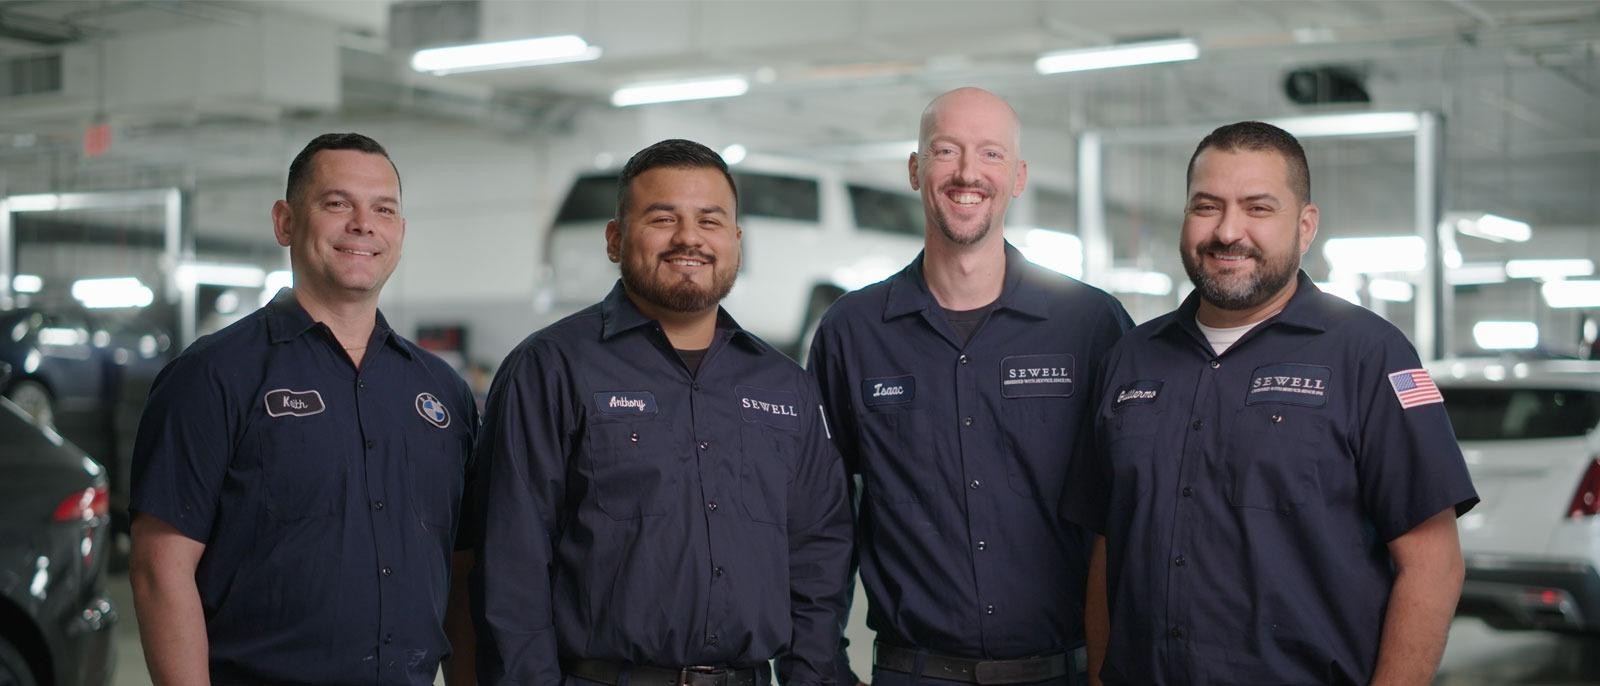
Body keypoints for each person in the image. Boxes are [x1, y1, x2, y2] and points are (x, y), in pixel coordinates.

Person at [1067, 121, 1478, 684]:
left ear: (1305, 226)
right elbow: (1108, 544)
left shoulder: (1369, 354)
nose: (1228, 231)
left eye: (1258, 208)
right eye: (1206, 206)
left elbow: (1432, 563)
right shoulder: (1132, 358)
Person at [470, 138, 852, 686]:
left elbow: (818, 550)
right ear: (615, 238)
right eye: (662, 217)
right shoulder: (549, 369)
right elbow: (511, 564)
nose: (689, 238)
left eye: (710, 220)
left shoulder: (785, 385)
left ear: (737, 242)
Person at [807, 87, 1131, 686]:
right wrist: (819, 668)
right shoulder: (852, 333)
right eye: (945, 151)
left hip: (1063, 672)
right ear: (915, 168)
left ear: (1018, 176)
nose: (966, 173)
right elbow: (820, 517)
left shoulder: (1090, 324)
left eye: (990, 154)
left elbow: (1131, 510)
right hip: (914, 672)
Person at [128, 133, 479, 684]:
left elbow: (461, 571)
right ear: (285, 223)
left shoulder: (444, 394)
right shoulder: (212, 376)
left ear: (400, 233)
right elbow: (159, 569)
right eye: (337, 204)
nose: (363, 224)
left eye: (383, 209)